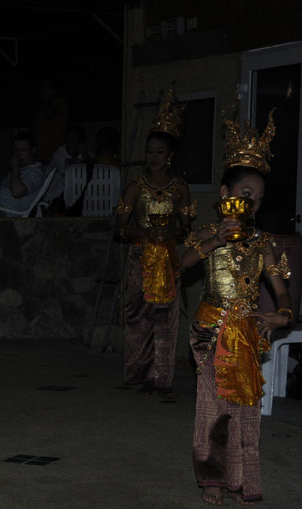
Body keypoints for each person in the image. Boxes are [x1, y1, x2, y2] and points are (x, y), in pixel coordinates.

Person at [181, 109, 292, 505]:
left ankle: (240, 477)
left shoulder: (264, 243)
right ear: (227, 196)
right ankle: (211, 478)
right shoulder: (210, 233)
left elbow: (281, 290)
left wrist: (284, 314)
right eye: (247, 195)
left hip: (245, 331)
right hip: (210, 328)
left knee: (245, 405)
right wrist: (216, 242)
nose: (253, 205)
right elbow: (183, 263)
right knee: (213, 403)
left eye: (259, 199)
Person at [116, 90, 193, 398]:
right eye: (149, 151)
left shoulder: (180, 188)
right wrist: (144, 234)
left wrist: (171, 233)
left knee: (165, 318)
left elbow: (186, 228)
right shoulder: (135, 187)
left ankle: (161, 378)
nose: (153, 157)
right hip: (140, 256)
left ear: (169, 156)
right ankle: (138, 371)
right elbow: (120, 229)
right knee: (138, 314)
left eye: (159, 152)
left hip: (168, 258)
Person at [0, 130, 47, 215]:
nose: (18, 154)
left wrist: (14, 167)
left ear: (33, 150)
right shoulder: (20, 169)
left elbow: (17, 192)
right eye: (15, 150)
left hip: (1, 211)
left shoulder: (36, 173)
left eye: (23, 150)